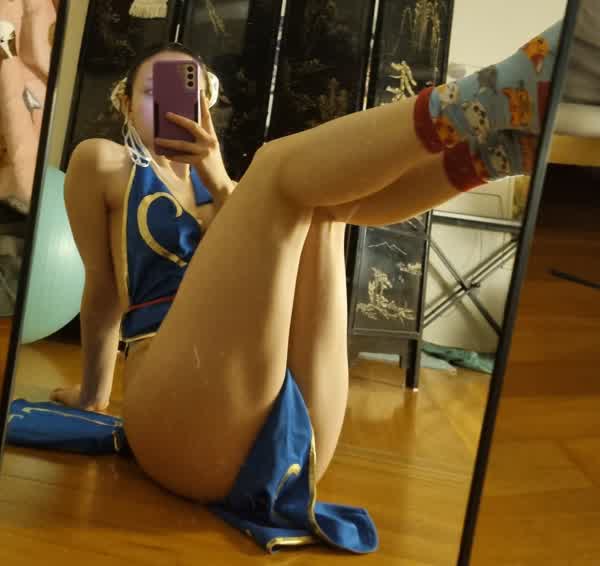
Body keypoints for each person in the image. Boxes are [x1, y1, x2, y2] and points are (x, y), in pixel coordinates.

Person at [48, 20, 562, 552]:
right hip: (172, 421)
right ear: (125, 103)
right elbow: (102, 291)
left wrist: (216, 176)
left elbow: (266, 240)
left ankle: (499, 152)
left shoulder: (229, 189)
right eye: (153, 93)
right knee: (278, 168)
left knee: (323, 206)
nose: (171, 107)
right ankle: (488, 99)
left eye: (188, 94)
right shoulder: (103, 162)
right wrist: (93, 395)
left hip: (293, 432)